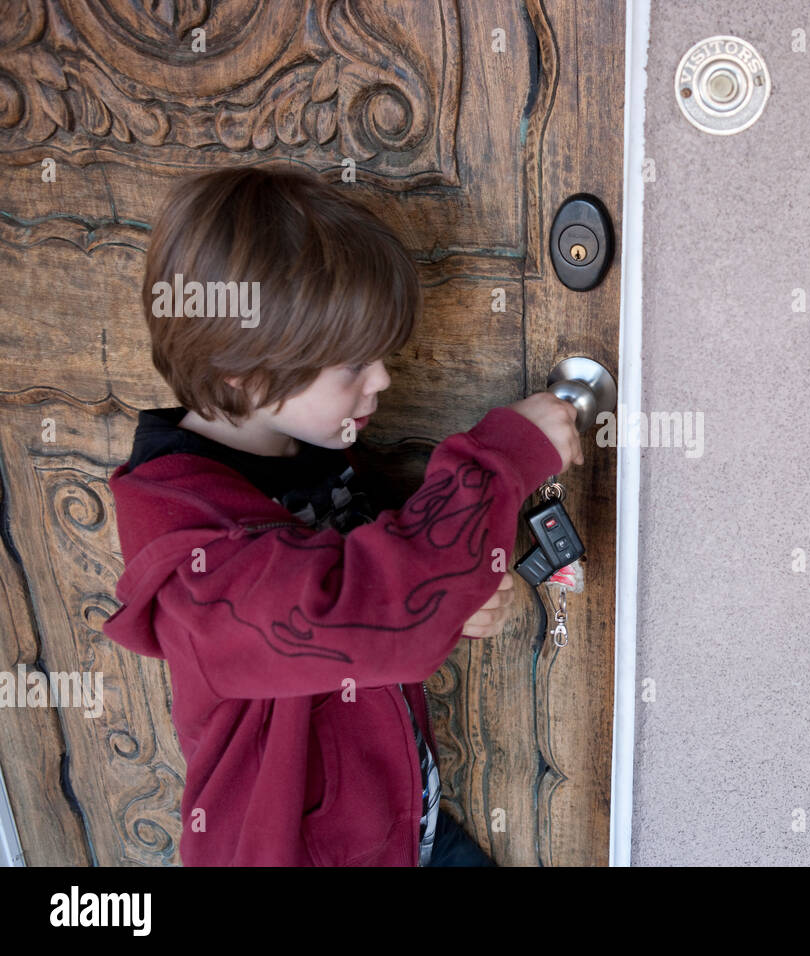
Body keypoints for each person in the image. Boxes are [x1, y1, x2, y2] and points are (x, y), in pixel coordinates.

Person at [100, 164, 583, 866]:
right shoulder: (195, 568)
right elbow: (373, 611)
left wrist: (455, 601)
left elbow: (391, 586)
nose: (382, 379)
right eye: (352, 366)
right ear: (247, 374)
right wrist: (503, 456)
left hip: (398, 822)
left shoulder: (310, 452)